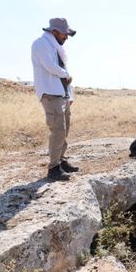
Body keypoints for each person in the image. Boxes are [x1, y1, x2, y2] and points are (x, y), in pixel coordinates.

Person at [31, 17, 79, 181]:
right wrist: (66, 75)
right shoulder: (41, 44)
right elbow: (50, 66)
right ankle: (53, 168)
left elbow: (63, 70)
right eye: (64, 34)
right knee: (57, 130)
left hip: (61, 94)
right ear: (54, 32)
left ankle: (61, 160)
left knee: (64, 130)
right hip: (51, 93)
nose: (66, 37)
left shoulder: (56, 46)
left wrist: (69, 94)